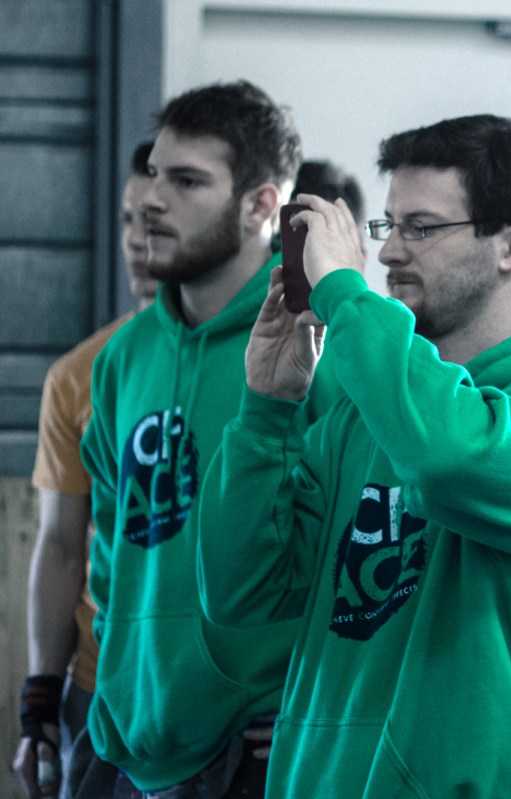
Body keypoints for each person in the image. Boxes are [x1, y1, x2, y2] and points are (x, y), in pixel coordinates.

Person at [194, 114, 511, 798]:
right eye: (388, 225)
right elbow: (239, 590)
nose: (390, 252)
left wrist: (345, 294)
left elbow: (445, 459)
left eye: (421, 228)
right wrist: (266, 411)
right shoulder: (366, 413)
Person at [79, 80, 338, 798]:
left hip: (256, 749)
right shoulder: (122, 357)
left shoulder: (322, 349)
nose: (151, 199)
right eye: (154, 173)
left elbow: (361, 546)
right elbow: (111, 544)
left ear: (261, 205)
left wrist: (316, 694)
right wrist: (119, 673)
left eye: (187, 181)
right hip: (130, 738)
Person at [13, 142, 158, 799]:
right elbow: (61, 546)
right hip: (101, 689)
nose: (136, 238)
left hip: (224, 703)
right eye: (128, 218)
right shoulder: (79, 375)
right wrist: (40, 702)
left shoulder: (270, 366)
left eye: (155, 218)